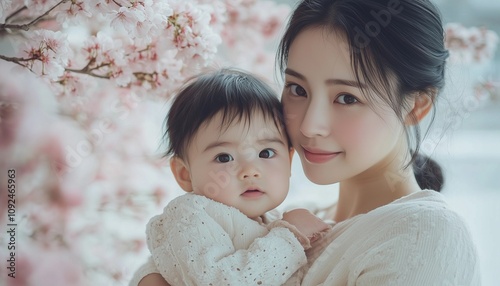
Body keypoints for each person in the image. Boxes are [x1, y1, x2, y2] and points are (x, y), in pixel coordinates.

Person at [137, 0, 481, 285]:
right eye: (298, 90)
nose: (310, 125)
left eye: (346, 98)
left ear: (416, 105)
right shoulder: (287, 221)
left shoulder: (422, 235)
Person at [129, 68, 330, 286]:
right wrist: (291, 238)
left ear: (289, 161)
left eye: (266, 153)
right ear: (184, 174)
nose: (250, 170)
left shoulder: (273, 220)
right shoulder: (191, 214)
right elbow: (224, 281)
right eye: (224, 157)